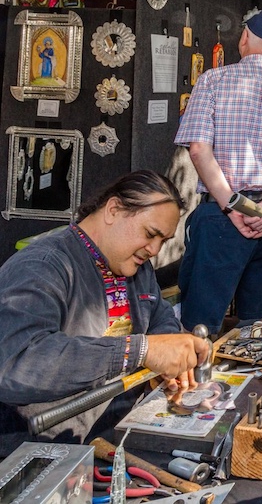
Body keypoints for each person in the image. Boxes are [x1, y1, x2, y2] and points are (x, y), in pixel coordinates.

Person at [0, 170, 211, 455]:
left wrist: (168, 352)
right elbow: (17, 364)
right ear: (113, 209)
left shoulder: (136, 267)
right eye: (151, 234)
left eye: (163, 241)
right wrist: (140, 350)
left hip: (113, 439)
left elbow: (159, 316)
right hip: (41, 453)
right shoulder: (42, 265)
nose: (154, 249)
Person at [175, 9, 262, 335]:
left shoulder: (212, 80)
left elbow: (198, 150)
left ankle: (197, 384)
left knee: (199, 324)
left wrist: (233, 206)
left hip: (221, 212)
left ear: (244, 38)